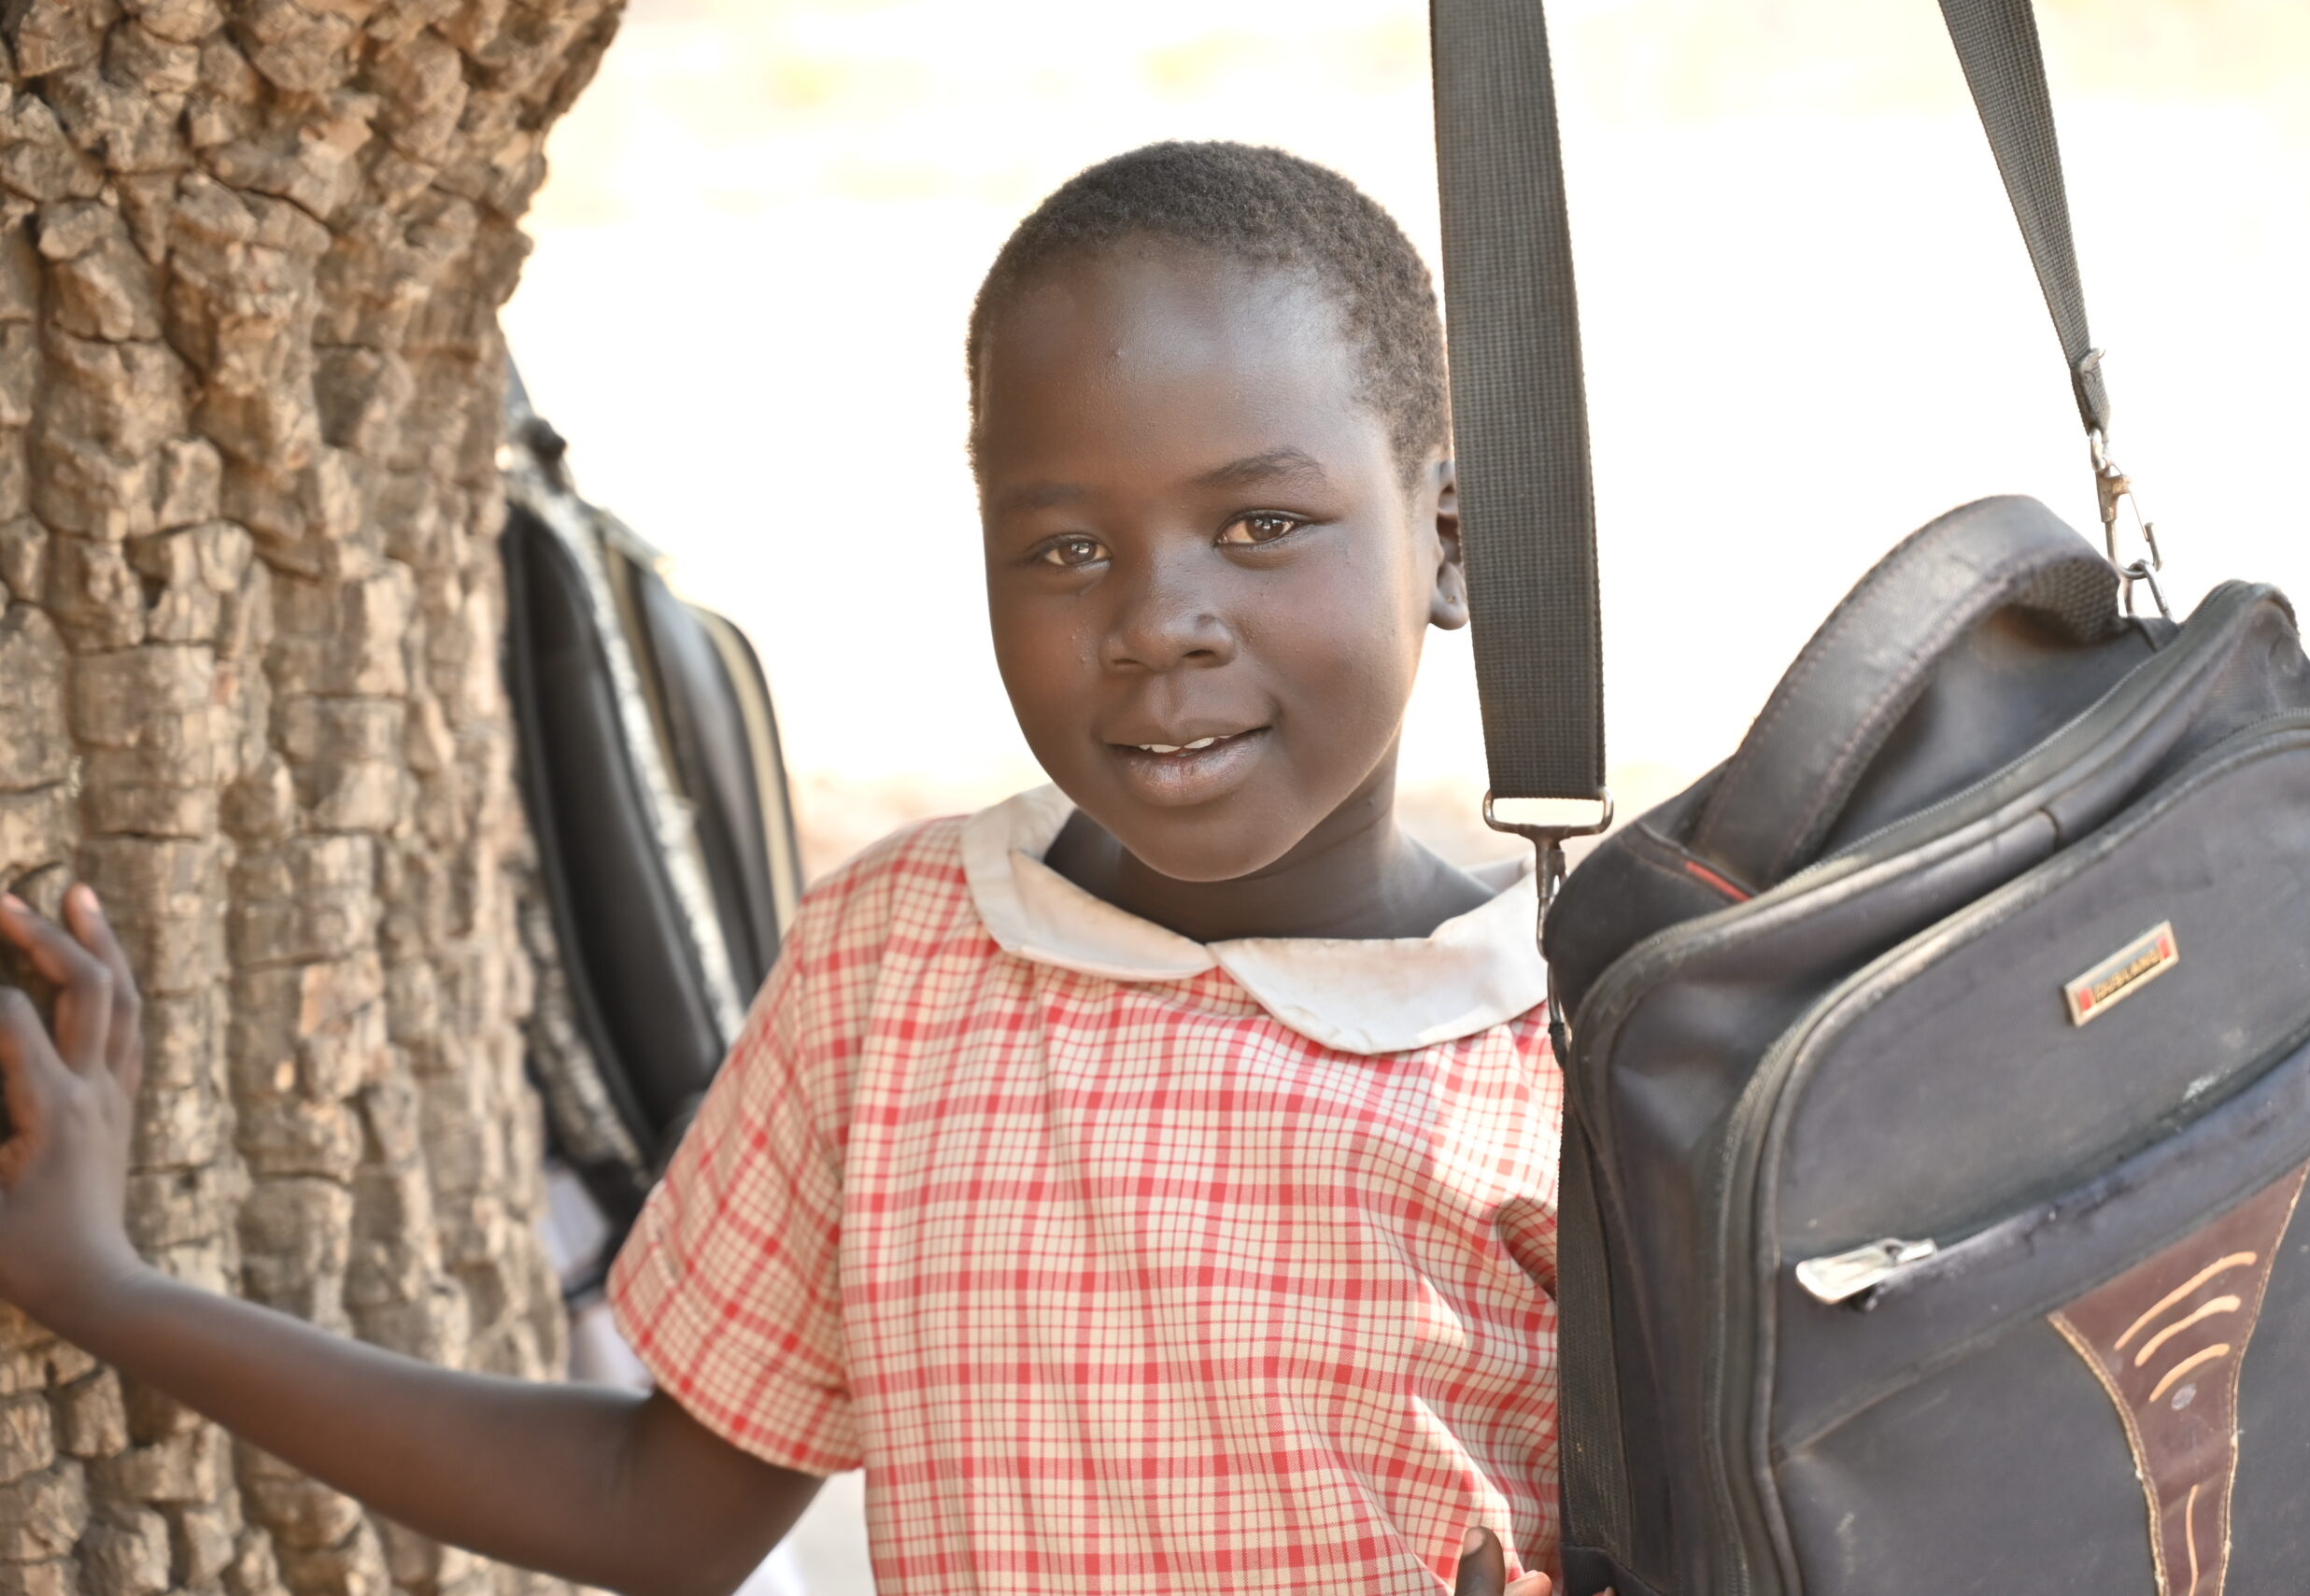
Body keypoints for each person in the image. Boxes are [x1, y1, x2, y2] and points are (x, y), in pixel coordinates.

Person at [0, 142, 1567, 1596]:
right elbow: (662, 1507)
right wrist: (112, 1290)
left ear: (1447, 540)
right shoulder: (902, 963)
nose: (1159, 620)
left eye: (1264, 522)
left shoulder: (1579, 1054)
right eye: (1067, 548)